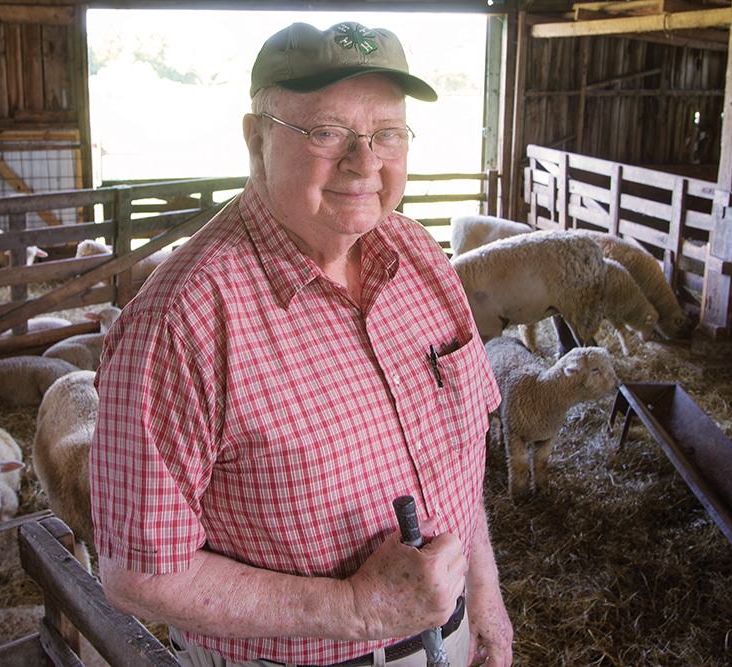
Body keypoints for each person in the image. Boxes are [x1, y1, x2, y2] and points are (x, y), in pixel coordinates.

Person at [90, 20, 514, 667]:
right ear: (255, 138)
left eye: (388, 133)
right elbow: (137, 573)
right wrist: (356, 607)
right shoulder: (181, 321)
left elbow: (459, 454)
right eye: (327, 131)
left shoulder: (419, 256)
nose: (364, 161)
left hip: (450, 638)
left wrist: (483, 595)